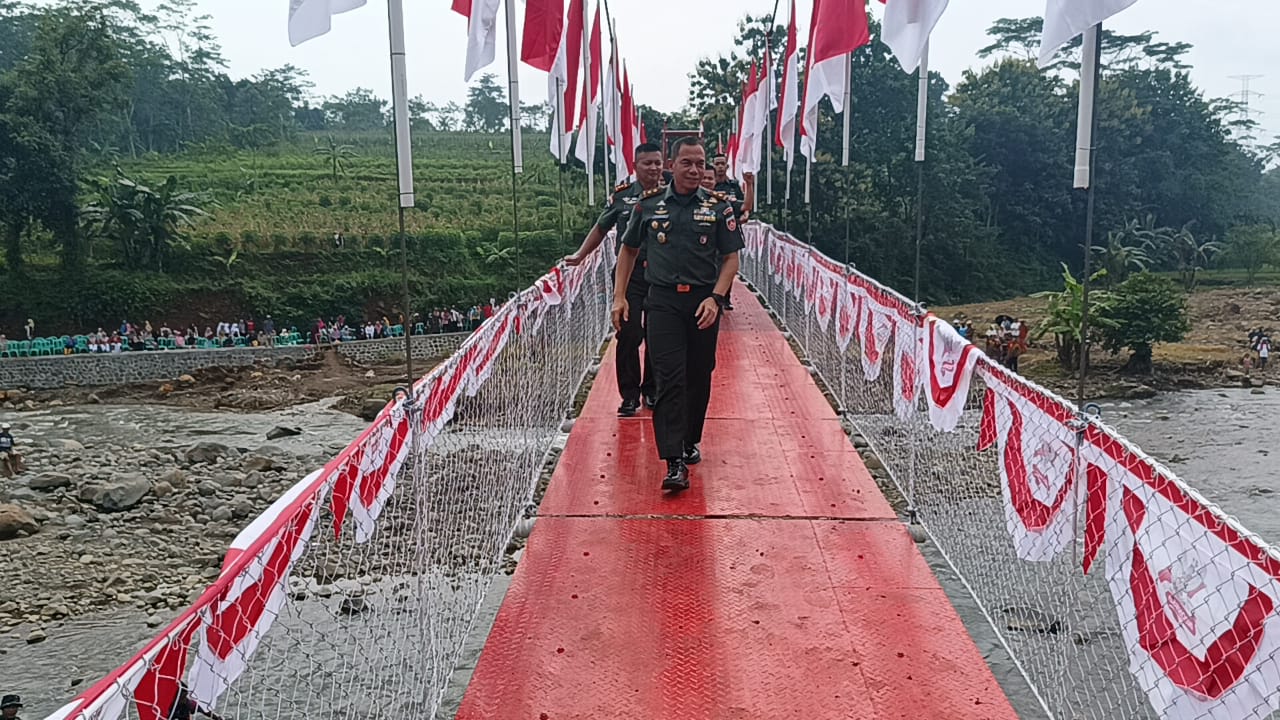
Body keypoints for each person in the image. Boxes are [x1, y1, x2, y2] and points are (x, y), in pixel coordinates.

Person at [615, 136, 744, 492]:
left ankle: (689, 441)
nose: (694, 169)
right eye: (687, 163)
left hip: (703, 303)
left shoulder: (719, 208)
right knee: (670, 379)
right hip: (663, 303)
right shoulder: (650, 205)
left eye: (699, 163)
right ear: (672, 165)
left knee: (699, 376)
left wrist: (717, 299)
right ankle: (673, 461)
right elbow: (627, 250)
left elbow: (731, 258)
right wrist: (619, 297)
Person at [566, 142, 665, 415]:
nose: (654, 168)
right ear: (636, 166)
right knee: (628, 333)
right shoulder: (622, 197)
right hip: (629, 276)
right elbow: (601, 228)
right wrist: (580, 255)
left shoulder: (672, 195)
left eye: (658, 162)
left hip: (661, 275)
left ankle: (652, 390)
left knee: (658, 335)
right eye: (648, 163)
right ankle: (630, 395)